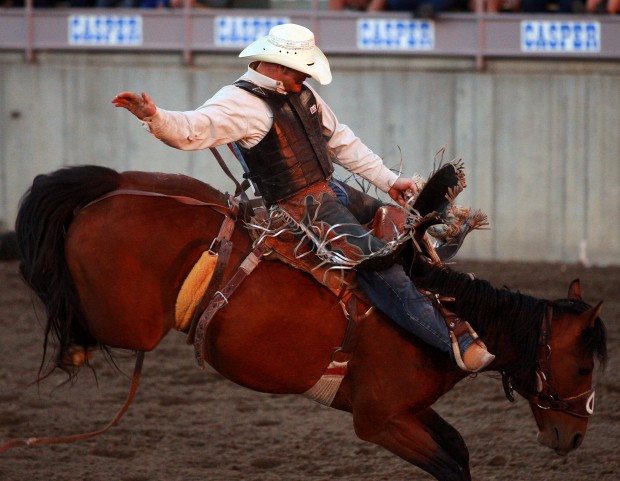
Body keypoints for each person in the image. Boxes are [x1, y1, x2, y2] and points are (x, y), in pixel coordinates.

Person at [112, 23, 494, 372]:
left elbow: (340, 139)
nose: (306, 77)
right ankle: (450, 340)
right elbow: (192, 129)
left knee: (403, 228)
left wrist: (387, 179)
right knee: (377, 262)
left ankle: (446, 300)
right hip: (299, 208)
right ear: (277, 66)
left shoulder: (301, 94)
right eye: (301, 70)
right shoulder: (238, 103)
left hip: (331, 191)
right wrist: (155, 116)